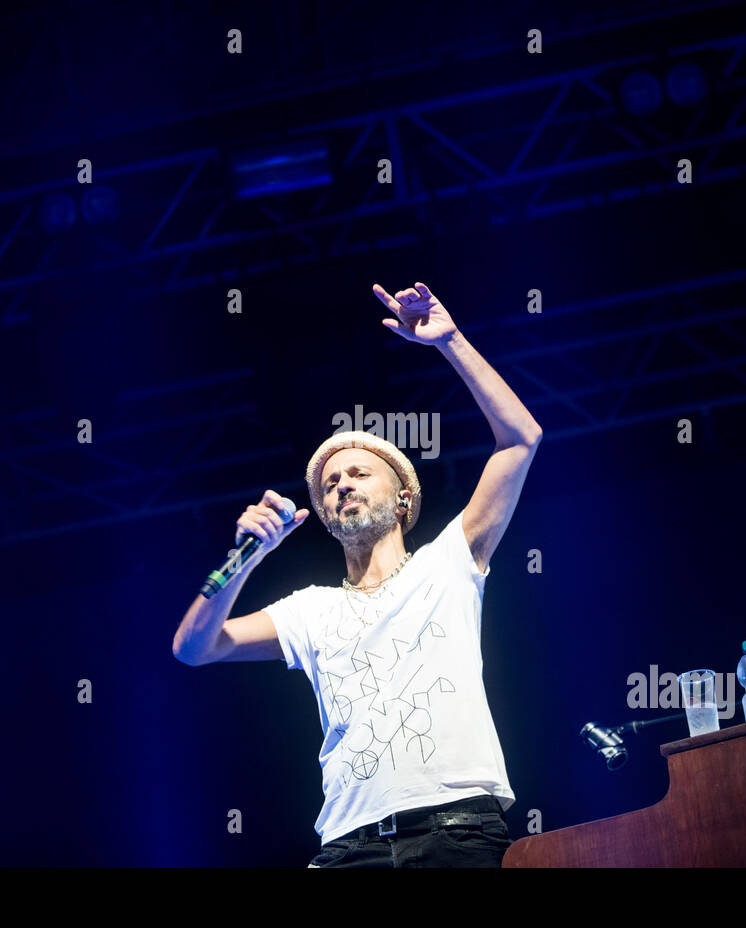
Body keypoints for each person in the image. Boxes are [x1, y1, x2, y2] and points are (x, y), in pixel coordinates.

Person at [172, 281, 543, 867]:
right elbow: (195, 648)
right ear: (323, 514)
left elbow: (521, 441)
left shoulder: (448, 562)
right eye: (329, 485)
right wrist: (242, 558)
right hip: (348, 848)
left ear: (402, 500)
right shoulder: (309, 608)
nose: (341, 483)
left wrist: (451, 343)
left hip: (456, 831)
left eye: (358, 474)